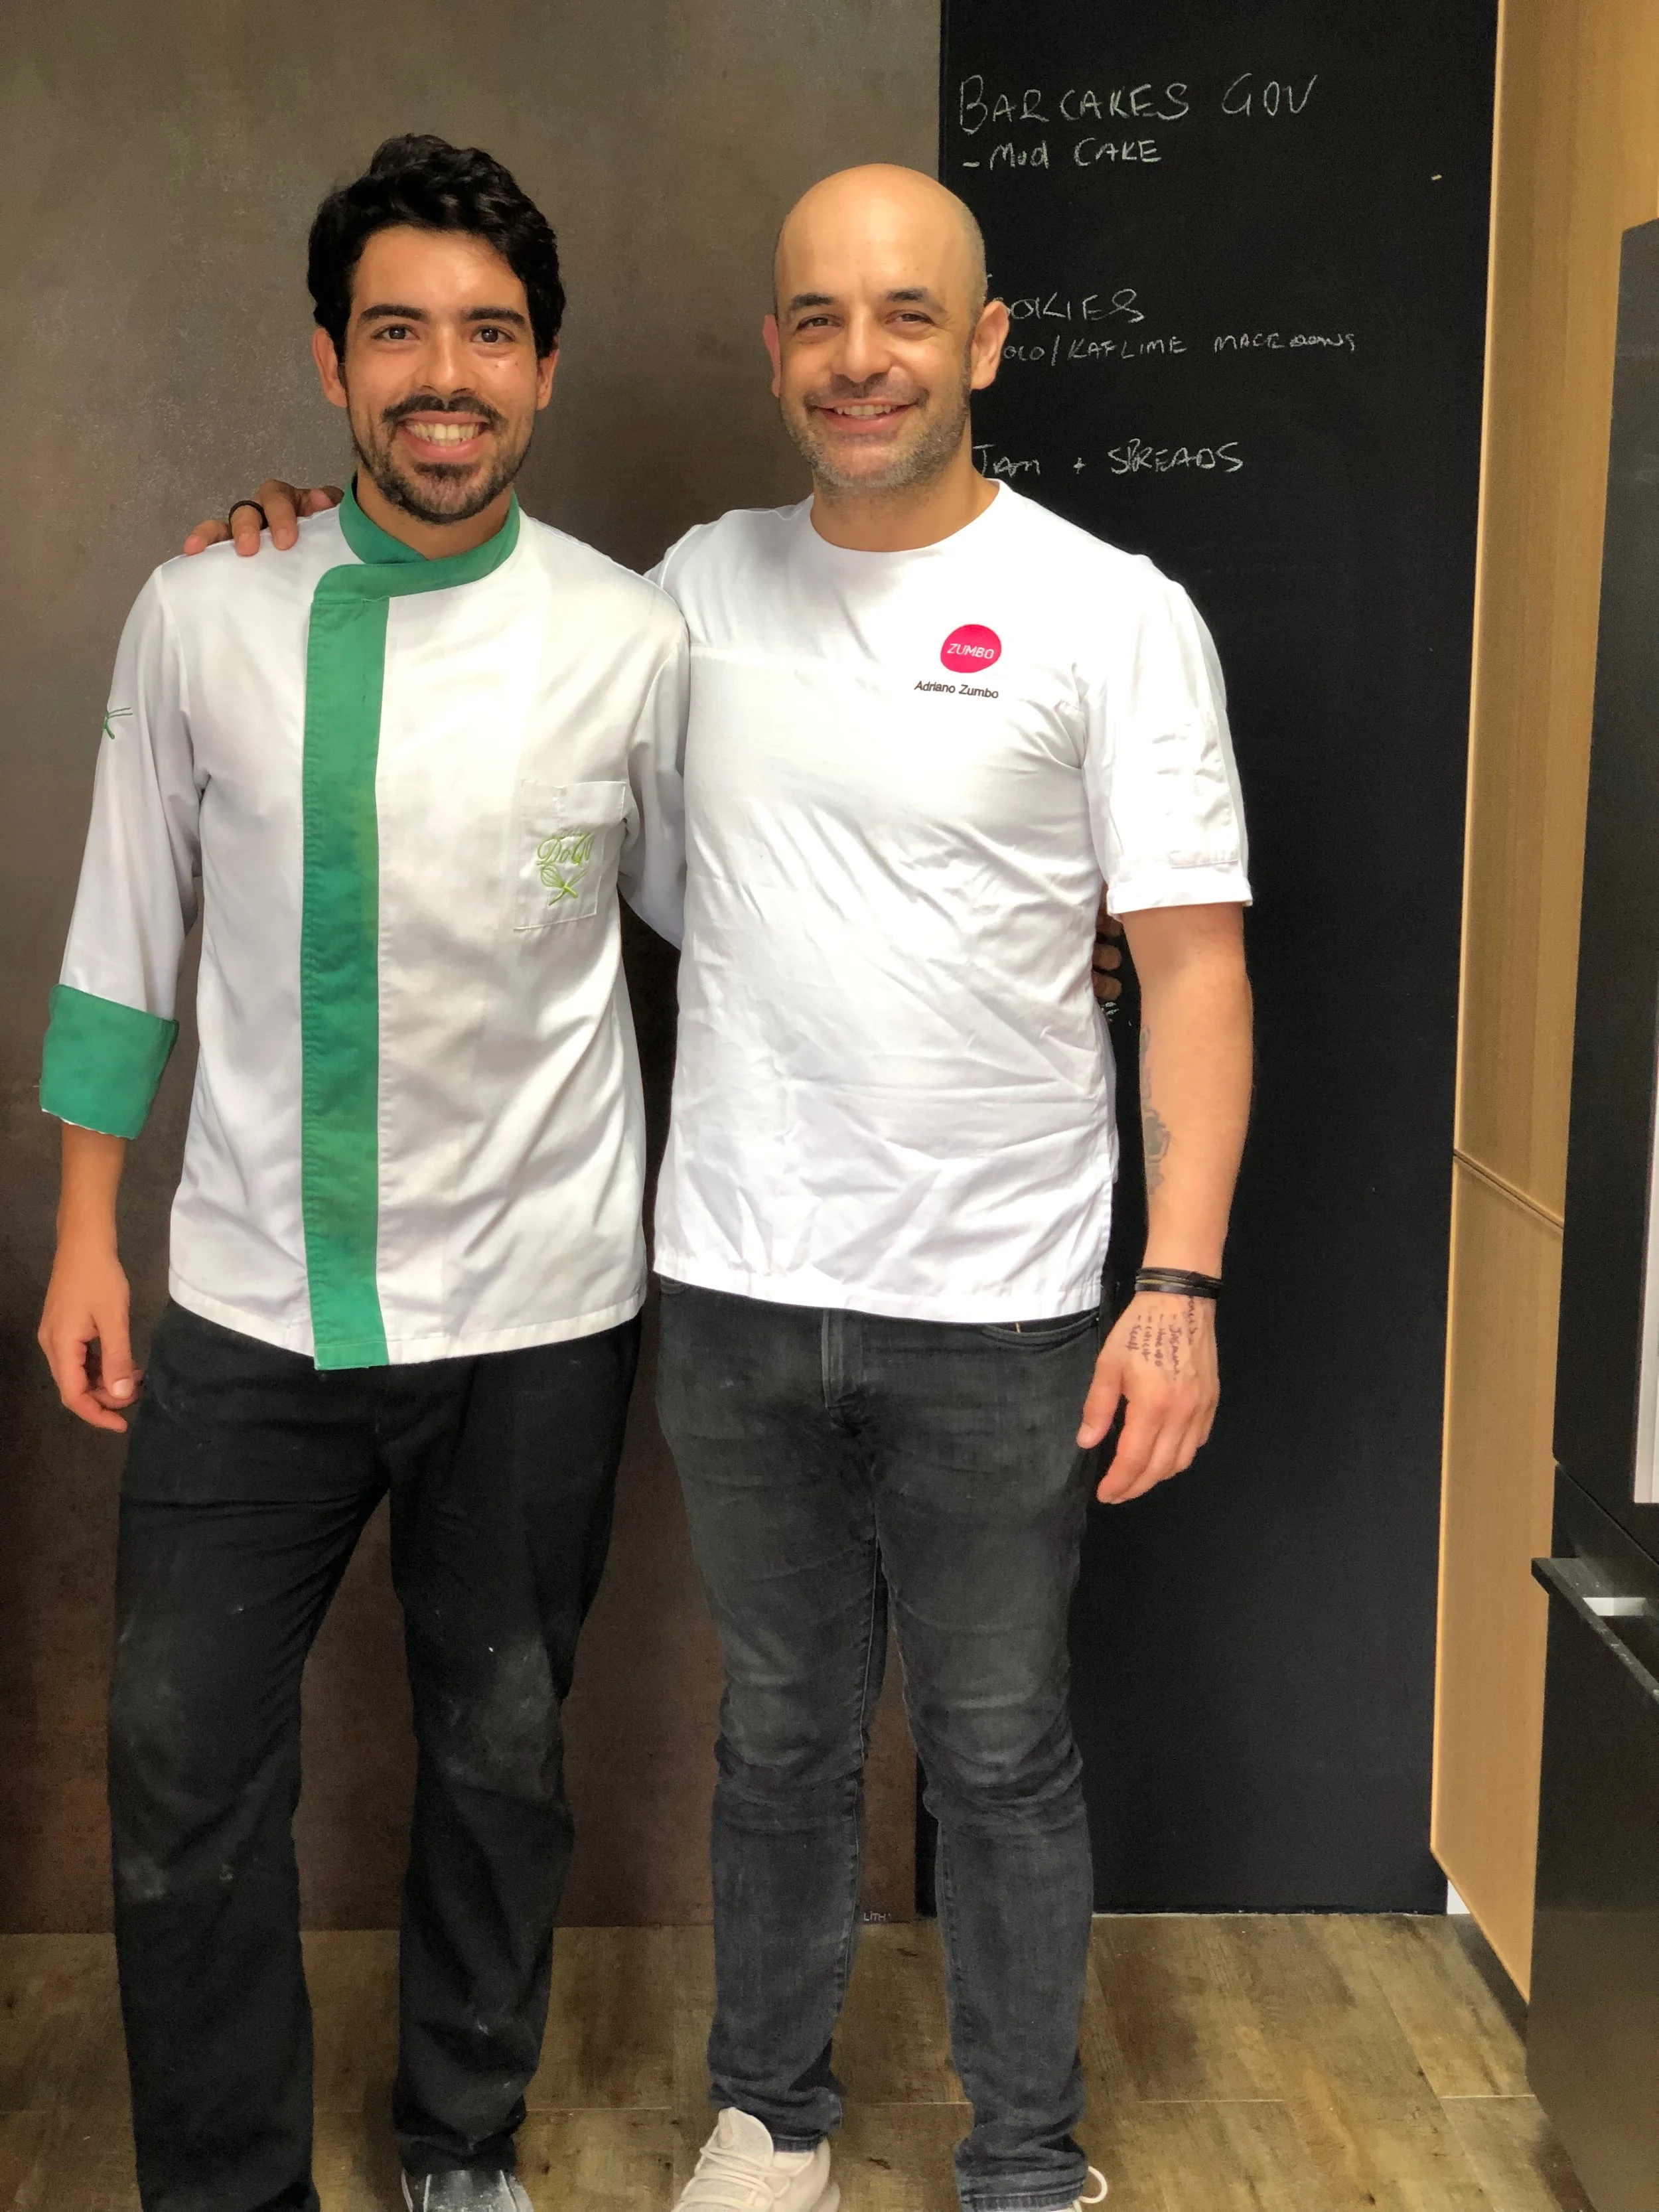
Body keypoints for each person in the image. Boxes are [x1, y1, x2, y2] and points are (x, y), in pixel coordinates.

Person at [186, 163, 1251, 2212]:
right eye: (821, 319)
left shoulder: (1112, 614)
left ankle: (1028, 2161)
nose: (862, 357)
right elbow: (468, 635)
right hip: (739, 1279)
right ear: (773, 352)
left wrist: (1175, 1277)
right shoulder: (687, 590)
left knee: (999, 1744)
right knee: (777, 1731)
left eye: (908, 315)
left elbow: (1190, 962)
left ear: (984, 343)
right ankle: (769, 2120)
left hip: (1010, 1296)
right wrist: (278, 535)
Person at [38, 135, 687, 2212]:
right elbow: (122, 935)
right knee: (179, 1761)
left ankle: (460, 2137)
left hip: (541, 1305)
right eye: (398, 329)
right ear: (331, 361)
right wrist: (84, 1237)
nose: (445, 373)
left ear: (545, 371)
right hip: (245, 1294)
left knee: (500, 1757)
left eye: (487, 334)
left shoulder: (630, 639)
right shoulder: (202, 606)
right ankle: (226, 2183)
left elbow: (746, 915)